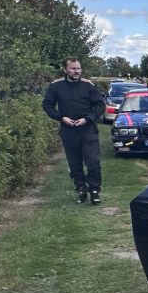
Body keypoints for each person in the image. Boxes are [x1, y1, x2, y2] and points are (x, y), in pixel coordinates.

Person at [42, 57, 106, 205]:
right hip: (68, 130)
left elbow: (100, 105)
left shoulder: (88, 85)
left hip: (88, 129)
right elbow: (47, 105)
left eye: (78, 68)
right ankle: (81, 190)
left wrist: (88, 119)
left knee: (93, 162)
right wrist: (60, 117)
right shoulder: (56, 86)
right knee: (75, 164)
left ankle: (94, 190)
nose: (76, 71)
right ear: (65, 69)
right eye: (73, 68)